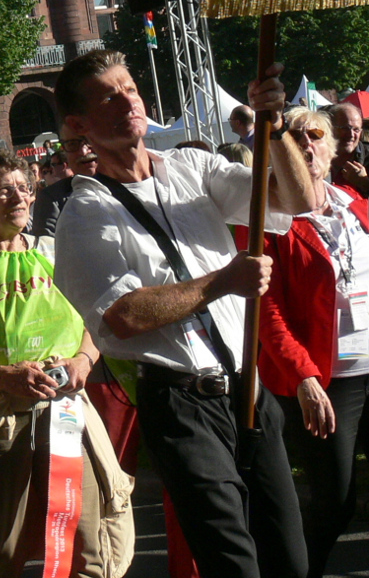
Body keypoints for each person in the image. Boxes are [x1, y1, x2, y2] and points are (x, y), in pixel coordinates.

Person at [52, 49, 312, 578]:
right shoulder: (84, 215)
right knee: (232, 563)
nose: (127, 102)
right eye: (108, 98)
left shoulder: (193, 168)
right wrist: (223, 282)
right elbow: (122, 315)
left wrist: (277, 126)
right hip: (181, 403)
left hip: (249, 388)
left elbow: (296, 198)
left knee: (290, 558)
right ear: (79, 125)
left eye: (130, 89)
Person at [0, 148, 130, 578]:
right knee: (2, 551)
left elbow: (95, 321)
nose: (18, 197)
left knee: (87, 545)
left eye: (23, 187)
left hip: (66, 416)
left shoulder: (55, 250)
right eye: (3, 190)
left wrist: (83, 360)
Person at [251, 110, 369, 578]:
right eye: (295, 139)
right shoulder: (268, 221)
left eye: (316, 136)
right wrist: (303, 377)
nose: (306, 146)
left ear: (333, 149)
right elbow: (266, 313)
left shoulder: (357, 204)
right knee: (335, 502)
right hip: (326, 381)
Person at [29, 125, 99, 240]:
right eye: (72, 144)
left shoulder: (124, 182)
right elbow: (46, 244)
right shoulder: (51, 197)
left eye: (89, 141)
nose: (84, 151)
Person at [328, 103, 369, 196]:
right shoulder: (316, 158)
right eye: (345, 128)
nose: (351, 135)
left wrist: (364, 184)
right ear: (330, 128)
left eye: (356, 130)